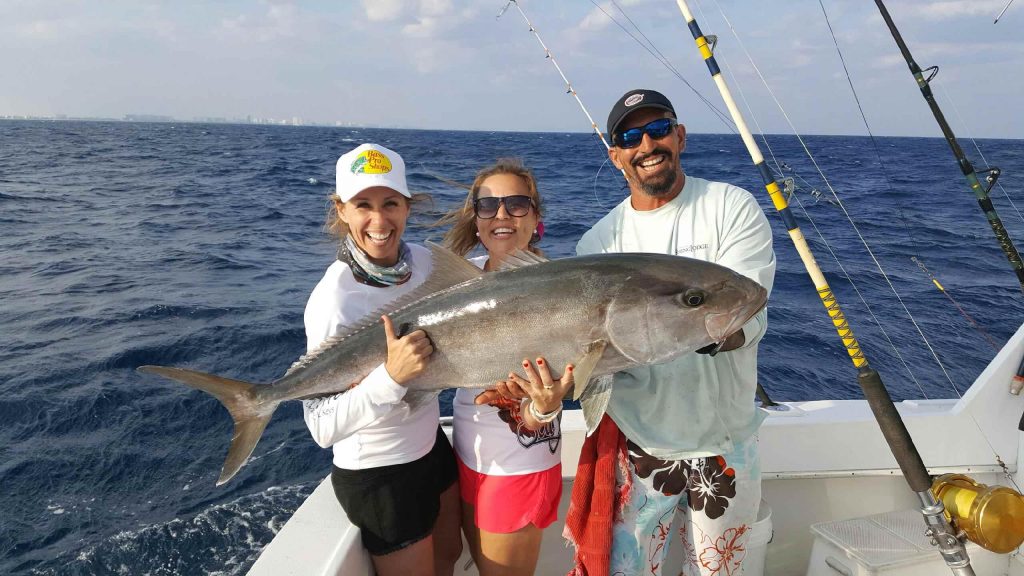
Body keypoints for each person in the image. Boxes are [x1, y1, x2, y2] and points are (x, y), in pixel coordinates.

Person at [563, 89, 776, 576]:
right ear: (615, 154)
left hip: (725, 442)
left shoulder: (730, 207)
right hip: (639, 445)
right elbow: (591, 355)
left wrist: (713, 328)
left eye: (658, 129)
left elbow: (748, 309)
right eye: (630, 136)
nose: (647, 144)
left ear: (679, 136)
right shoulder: (597, 243)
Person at [302, 143, 462, 576]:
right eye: (363, 205)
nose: (379, 220)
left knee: (449, 555)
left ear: (408, 206)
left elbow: (480, 286)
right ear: (341, 210)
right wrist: (390, 378)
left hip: (431, 446)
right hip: (380, 474)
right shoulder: (334, 301)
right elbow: (321, 426)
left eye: (390, 203)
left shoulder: (428, 263)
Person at [436, 159, 574, 576]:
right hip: (467, 454)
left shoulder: (561, 289)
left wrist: (544, 406)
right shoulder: (460, 279)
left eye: (516, 204)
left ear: (535, 217)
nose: (502, 215)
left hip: (518, 464)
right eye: (488, 205)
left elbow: (546, 404)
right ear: (475, 218)